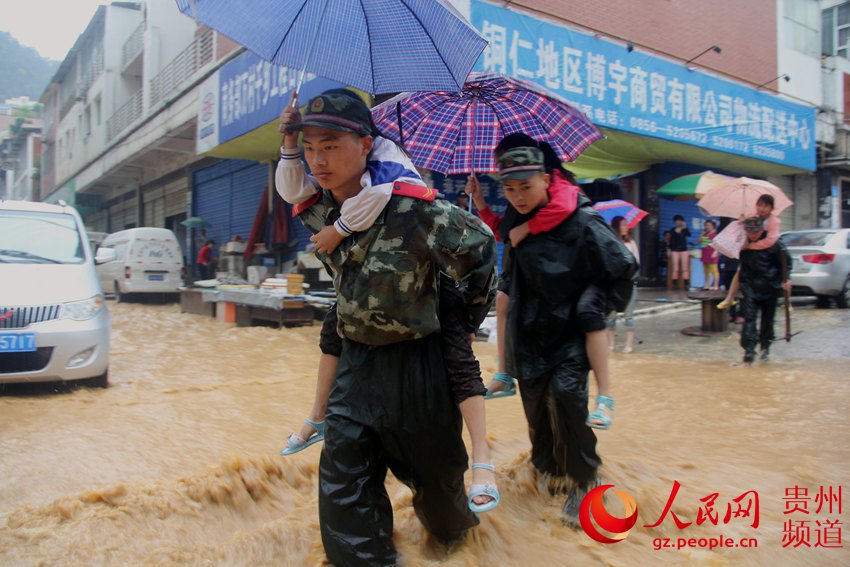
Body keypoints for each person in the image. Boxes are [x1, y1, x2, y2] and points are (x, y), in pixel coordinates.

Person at [275, 88, 498, 565]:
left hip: (418, 370)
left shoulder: (414, 209)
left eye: (330, 145)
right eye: (310, 147)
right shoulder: (324, 209)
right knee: (343, 494)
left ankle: (455, 539)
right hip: (355, 369)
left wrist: (459, 316)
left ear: (365, 144)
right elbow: (292, 184)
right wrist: (288, 144)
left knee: (441, 496)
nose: (319, 159)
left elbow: (480, 246)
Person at [483, 138, 637, 527]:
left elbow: (621, 266)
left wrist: (595, 306)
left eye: (526, 187)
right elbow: (512, 278)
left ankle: (586, 479)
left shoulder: (583, 220)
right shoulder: (516, 222)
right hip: (532, 331)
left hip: (571, 330)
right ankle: (548, 471)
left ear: (547, 179)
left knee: (566, 397)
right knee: (536, 408)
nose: (517, 196)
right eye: (509, 188)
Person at [465, 134, 582, 400]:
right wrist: (480, 201)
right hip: (519, 272)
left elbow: (566, 203)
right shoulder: (518, 194)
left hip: (553, 279)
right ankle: (505, 374)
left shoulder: (556, 184)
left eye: (502, 162)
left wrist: (529, 227)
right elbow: (503, 233)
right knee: (503, 301)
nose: (499, 169)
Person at [723, 216, 791, 364]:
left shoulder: (774, 244)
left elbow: (787, 263)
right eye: (749, 231)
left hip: (770, 287)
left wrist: (786, 280)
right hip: (750, 288)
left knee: (767, 320)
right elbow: (740, 269)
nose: (752, 234)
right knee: (749, 318)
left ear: (762, 230)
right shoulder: (743, 246)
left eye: (755, 231)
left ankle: (765, 347)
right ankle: (749, 349)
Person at [607, 215, 640, 356]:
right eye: (623, 225)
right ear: (616, 227)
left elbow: (637, 263)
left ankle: (629, 344)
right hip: (614, 284)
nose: (626, 227)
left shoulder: (631, 243)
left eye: (627, 224)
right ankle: (611, 344)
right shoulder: (610, 243)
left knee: (629, 315)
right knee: (610, 316)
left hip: (629, 283)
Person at [669, 214, 691, 292]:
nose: (678, 222)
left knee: (685, 268)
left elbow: (689, 234)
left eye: (680, 221)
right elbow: (671, 241)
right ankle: (674, 284)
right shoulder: (672, 230)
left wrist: (685, 228)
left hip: (684, 250)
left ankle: (686, 284)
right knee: (675, 269)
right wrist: (670, 250)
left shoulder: (684, 230)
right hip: (675, 251)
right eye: (677, 221)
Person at [700, 219, 720, 290]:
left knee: (714, 270)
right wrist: (702, 235)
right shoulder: (705, 234)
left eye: (708, 225)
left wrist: (715, 252)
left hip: (712, 255)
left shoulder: (715, 235)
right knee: (706, 271)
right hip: (705, 254)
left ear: (713, 226)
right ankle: (707, 285)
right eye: (706, 225)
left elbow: (718, 245)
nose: (707, 226)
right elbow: (700, 242)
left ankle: (716, 285)